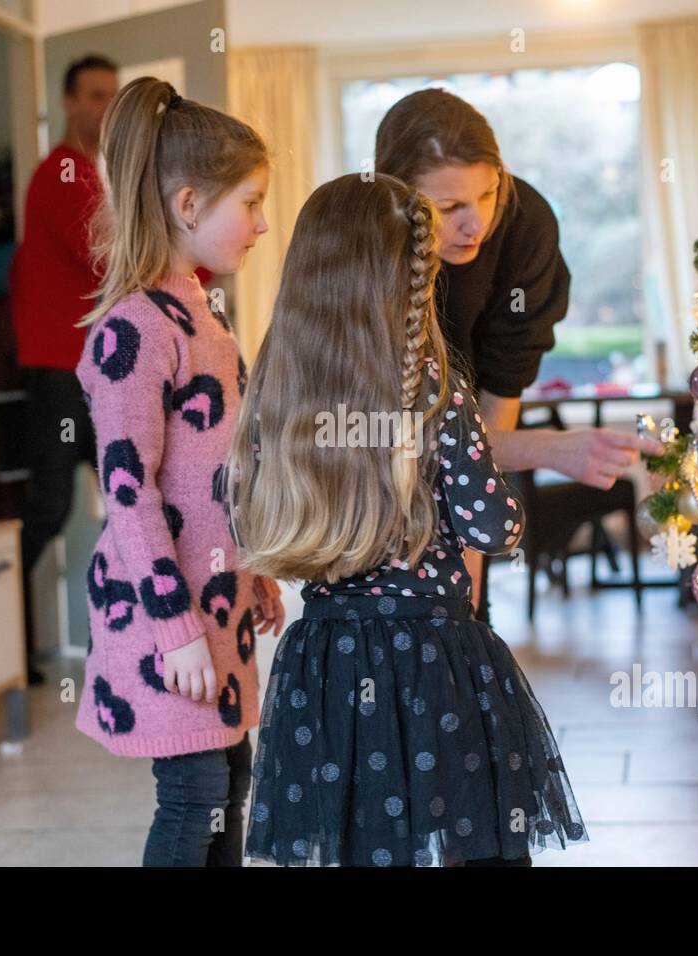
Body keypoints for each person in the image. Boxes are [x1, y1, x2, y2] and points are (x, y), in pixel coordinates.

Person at [228, 173, 587, 866]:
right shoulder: (432, 392)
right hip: (436, 663)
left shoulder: (279, 392)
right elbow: (494, 529)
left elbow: (243, 511)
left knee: (362, 843)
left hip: (324, 663)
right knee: (468, 838)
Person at [73, 77, 284, 867]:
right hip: (163, 616)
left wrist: (255, 570)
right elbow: (128, 493)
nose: (263, 224)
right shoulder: (135, 327)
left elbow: (220, 474)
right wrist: (175, 629)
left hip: (214, 606)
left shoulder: (205, 315)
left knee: (231, 780)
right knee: (194, 793)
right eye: (251, 202)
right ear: (190, 204)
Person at [374, 89, 663, 620]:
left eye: (487, 193)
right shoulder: (363, 245)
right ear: (396, 199)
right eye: (449, 207)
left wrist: (470, 568)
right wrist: (552, 450)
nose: (476, 223)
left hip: (455, 455)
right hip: (369, 492)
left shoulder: (524, 226)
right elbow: (387, 436)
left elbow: (482, 440)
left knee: (463, 631)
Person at [10, 55, 118, 683]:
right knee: (49, 509)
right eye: (96, 96)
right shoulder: (61, 174)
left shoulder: (92, 178)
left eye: (113, 95)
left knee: (128, 502)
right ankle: (11, 645)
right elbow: (106, 255)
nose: (105, 107)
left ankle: (123, 643)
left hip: (90, 371)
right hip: (58, 374)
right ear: (70, 102)